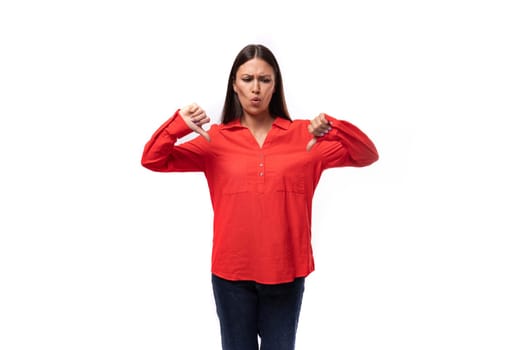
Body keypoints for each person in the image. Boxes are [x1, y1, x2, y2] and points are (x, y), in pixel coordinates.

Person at [141, 44, 379, 350]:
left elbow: (366, 155)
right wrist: (178, 125)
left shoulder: (306, 137)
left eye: (264, 80)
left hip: (286, 272)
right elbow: (152, 160)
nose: (256, 88)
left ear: (275, 85)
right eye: (248, 79)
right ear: (234, 85)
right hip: (231, 275)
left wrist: (333, 129)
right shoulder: (214, 140)